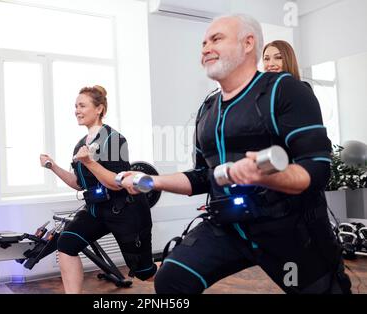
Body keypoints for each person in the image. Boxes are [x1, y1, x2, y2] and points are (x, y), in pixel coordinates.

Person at [121, 14, 351, 294]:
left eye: (216, 39)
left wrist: (269, 177)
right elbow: (204, 177)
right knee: (172, 279)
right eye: (203, 42)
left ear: (247, 43)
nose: (205, 48)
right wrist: (153, 181)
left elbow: (318, 169)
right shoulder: (208, 110)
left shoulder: (285, 90)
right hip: (230, 228)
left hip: (288, 230)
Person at [40, 85, 157, 293]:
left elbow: (116, 182)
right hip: (97, 210)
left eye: (82, 105)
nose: (77, 110)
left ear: (99, 109)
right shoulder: (80, 145)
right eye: (75, 106)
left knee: (144, 273)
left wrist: (89, 162)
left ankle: (181, 275)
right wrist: (53, 167)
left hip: (126, 211)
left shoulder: (114, 139)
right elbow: (78, 183)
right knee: (66, 244)